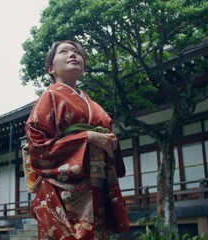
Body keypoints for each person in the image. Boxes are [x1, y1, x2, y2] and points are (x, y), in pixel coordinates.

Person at [25, 40, 130, 240]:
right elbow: (37, 145)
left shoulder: (95, 105)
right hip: (64, 189)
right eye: (63, 52)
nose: (73, 54)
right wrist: (87, 137)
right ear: (50, 68)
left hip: (97, 185)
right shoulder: (50, 96)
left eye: (76, 52)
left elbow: (106, 135)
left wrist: (112, 144)